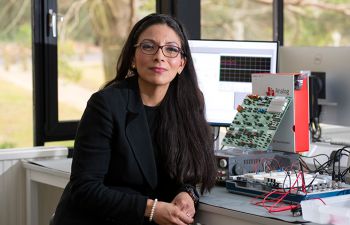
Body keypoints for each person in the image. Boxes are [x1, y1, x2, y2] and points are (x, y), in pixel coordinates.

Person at [52, 13, 216, 225]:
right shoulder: (106, 104)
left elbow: (191, 172)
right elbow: (85, 189)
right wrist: (151, 208)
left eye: (171, 49)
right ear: (132, 57)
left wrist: (188, 194)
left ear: (182, 64)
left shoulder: (190, 104)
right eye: (148, 46)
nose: (160, 56)